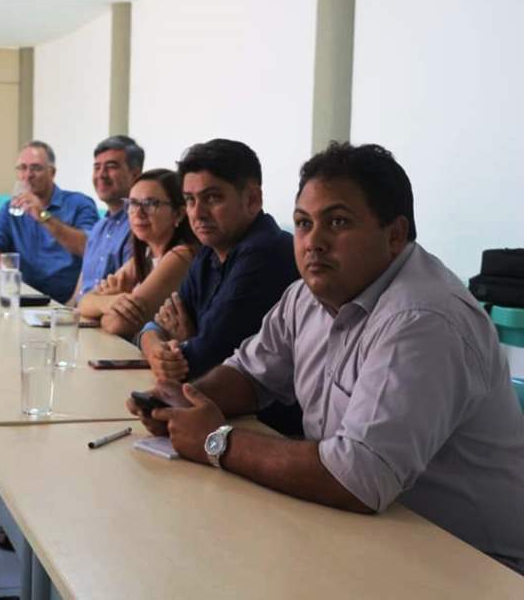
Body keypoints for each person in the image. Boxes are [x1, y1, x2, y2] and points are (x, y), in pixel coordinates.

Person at [129, 143, 524, 574]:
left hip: (470, 565)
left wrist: (216, 440)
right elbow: (250, 374)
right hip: (365, 531)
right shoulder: (307, 295)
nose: (313, 242)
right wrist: (184, 403)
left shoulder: (423, 318)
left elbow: (358, 476)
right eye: (303, 223)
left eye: (337, 222)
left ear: (394, 235)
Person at [138, 139, 301, 434]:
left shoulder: (265, 253)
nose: (197, 213)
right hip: (222, 416)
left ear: (252, 199)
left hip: (269, 428)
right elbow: (154, 326)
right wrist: (156, 349)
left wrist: (186, 344)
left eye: (212, 198)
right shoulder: (210, 251)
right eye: (190, 200)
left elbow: (207, 358)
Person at [78, 169, 199, 338]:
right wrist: (111, 301)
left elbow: (118, 324)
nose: (138, 213)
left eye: (150, 204)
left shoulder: (181, 255)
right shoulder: (146, 255)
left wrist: (106, 307)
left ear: (178, 213)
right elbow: (83, 303)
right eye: (133, 203)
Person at [0, 141, 99, 304]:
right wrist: (9, 267)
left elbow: (91, 248)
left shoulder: (79, 204)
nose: (28, 175)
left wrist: (43, 216)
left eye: (36, 168)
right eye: (22, 168)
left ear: (52, 172)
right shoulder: (11, 208)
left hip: (65, 302)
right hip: (23, 297)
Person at [68, 135, 144, 303]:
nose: (101, 175)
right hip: (79, 314)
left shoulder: (140, 227)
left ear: (135, 174)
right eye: (97, 167)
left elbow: (127, 298)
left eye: (111, 167)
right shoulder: (98, 229)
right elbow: (79, 292)